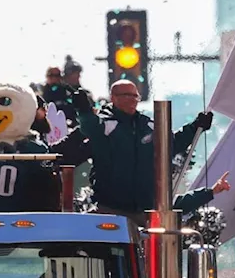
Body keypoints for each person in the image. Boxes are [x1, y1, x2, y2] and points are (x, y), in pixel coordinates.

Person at [72, 80, 214, 224]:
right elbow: (90, 126)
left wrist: (196, 126)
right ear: (114, 97)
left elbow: (171, 145)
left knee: (146, 246)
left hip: (143, 212)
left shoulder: (148, 125)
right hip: (109, 209)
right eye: (127, 95)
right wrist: (84, 111)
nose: (133, 100)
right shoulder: (106, 124)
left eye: (136, 96)